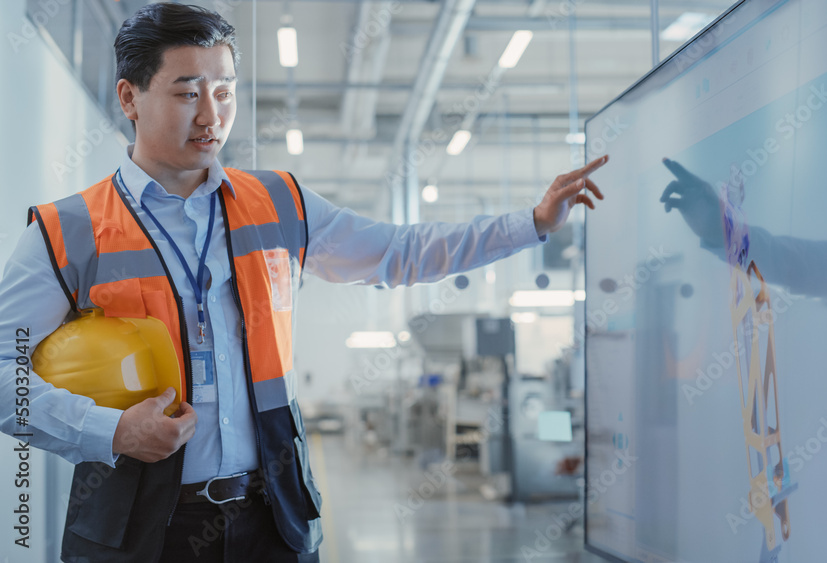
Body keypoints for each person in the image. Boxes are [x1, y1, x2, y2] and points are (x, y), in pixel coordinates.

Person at [0, 4, 607, 562]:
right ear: (129, 98)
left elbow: (398, 253)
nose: (212, 116)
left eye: (225, 91)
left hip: (275, 520)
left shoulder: (279, 203)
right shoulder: (70, 229)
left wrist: (529, 223)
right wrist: (110, 431)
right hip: (137, 528)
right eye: (187, 93)